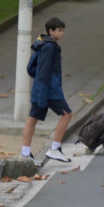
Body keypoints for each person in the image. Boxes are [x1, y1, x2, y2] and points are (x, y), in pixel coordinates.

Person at [21, 17, 73, 165]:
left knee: (32, 118)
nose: (62, 33)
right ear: (51, 31)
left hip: (42, 88)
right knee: (67, 114)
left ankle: (25, 154)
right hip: (49, 90)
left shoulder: (43, 44)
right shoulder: (50, 47)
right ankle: (54, 148)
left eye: (63, 30)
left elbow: (32, 69)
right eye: (60, 30)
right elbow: (43, 71)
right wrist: (43, 92)